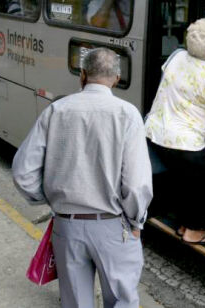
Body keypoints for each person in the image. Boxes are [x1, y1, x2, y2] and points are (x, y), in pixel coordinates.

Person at [12, 48, 152, 308]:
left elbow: (23, 172)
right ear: (117, 78)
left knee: (75, 303)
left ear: (83, 75)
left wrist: (50, 198)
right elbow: (137, 184)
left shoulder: (56, 111)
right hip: (114, 227)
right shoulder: (127, 114)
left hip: (67, 226)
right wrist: (135, 222)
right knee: (121, 301)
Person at [145, 18, 205, 244]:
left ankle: (183, 223)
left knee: (184, 173)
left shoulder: (176, 57)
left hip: (155, 135)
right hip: (186, 145)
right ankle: (193, 230)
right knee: (204, 175)